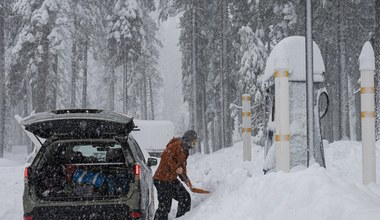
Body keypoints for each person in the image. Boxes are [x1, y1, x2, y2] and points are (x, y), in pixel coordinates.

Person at [153, 130, 198, 220]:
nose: (194, 145)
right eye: (193, 142)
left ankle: (182, 218)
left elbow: (182, 168)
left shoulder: (185, 150)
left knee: (185, 198)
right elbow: (165, 156)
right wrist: (175, 167)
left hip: (171, 179)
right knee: (165, 206)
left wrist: (186, 180)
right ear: (188, 140)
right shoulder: (176, 144)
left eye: (195, 142)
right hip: (161, 179)